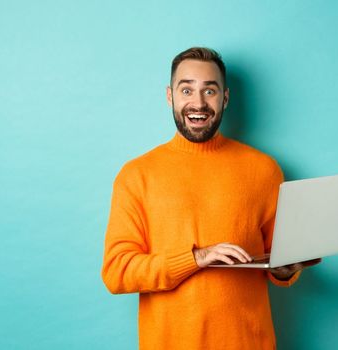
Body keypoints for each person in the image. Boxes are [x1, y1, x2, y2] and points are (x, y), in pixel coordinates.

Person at [100, 47, 321, 349]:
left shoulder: (264, 170)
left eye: (210, 91)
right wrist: (197, 258)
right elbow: (117, 272)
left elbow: (277, 260)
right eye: (187, 89)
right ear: (170, 96)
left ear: (225, 98)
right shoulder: (136, 175)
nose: (198, 102)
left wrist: (286, 270)